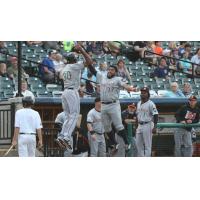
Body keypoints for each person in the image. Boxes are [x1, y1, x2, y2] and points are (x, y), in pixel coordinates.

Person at [88, 62, 136, 151]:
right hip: (103, 105)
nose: (110, 71)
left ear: (116, 72)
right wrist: (88, 61)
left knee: (118, 126)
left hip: (114, 104)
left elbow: (125, 85)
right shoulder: (102, 77)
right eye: (109, 69)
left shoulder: (118, 79)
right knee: (106, 127)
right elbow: (93, 70)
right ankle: (114, 143)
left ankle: (127, 143)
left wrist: (130, 88)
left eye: (112, 70)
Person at [55, 44, 93, 151]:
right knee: (74, 115)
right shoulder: (73, 66)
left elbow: (61, 76)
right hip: (72, 92)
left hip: (65, 91)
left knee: (68, 116)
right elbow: (89, 61)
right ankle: (66, 136)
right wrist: (82, 50)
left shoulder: (64, 68)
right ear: (74, 60)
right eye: (76, 59)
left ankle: (62, 136)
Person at [135, 87, 158, 157]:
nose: (142, 94)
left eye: (144, 93)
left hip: (147, 125)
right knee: (138, 144)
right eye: (141, 93)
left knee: (147, 145)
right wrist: (136, 125)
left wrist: (155, 126)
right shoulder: (138, 103)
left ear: (148, 94)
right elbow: (137, 114)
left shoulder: (151, 104)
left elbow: (156, 114)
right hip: (140, 125)